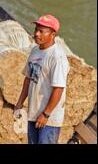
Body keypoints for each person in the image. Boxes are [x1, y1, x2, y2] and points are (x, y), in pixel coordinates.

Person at [14, 14, 69, 144]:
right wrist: (20, 102)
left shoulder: (57, 57)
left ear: (53, 34)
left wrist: (46, 114)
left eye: (41, 31)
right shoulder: (35, 51)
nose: (37, 34)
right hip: (33, 112)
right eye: (36, 30)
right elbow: (28, 78)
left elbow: (59, 88)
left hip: (49, 118)